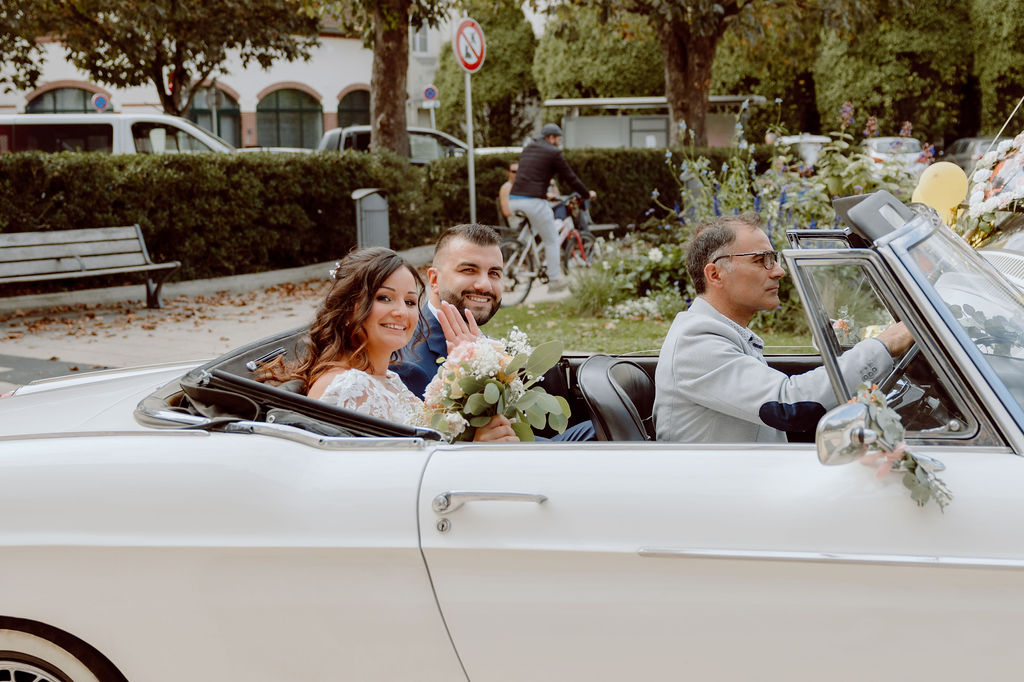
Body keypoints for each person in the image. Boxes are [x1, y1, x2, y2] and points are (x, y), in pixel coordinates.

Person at [654, 213, 914, 443]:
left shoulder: (722, 332)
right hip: (720, 493)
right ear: (715, 275)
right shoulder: (696, 340)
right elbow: (790, 405)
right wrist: (885, 345)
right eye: (760, 260)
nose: (779, 271)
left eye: (774, 259)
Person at [260, 247, 517, 442]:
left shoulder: (389, 379)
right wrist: (475, 447)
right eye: (385, 298)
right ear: (350, 307)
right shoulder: (350, 388)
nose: (401, 313)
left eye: (408, 301)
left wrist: (470, 373)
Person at [392, 223, 595, 441]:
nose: (484, 285)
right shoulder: (408, 363)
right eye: (468, 270)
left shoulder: (485, 342)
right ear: (434, 280)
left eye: (494, 273)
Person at [509, 123, 596, 292]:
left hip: (514, 199)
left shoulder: (528, 149)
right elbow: (570, 177)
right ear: (550, 138)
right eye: (558, 139)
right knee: (551, 239)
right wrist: (585, 194)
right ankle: (554, 280)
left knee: (533, 230)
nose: (559, 143)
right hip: (533, 201)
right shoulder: (553, 152)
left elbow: (532, 174)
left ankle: (520, 250)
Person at [498, 161, 521, 228]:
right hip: (517, 223)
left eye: (519, 171)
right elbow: (506, 212)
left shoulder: (522, 186)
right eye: (514, 172)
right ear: (508, 173)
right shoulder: (506, 188)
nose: (517, 174)